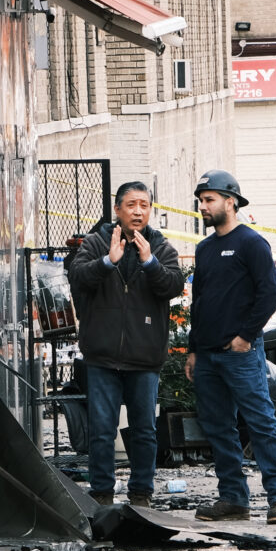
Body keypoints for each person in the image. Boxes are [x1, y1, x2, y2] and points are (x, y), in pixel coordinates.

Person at [183, 169, 276, 524]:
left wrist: (246, 336)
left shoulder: (251, 243)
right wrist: (193, 349)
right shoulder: (205, 249)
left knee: (261, 422)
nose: (203, 206)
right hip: (209, 355)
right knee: (218, 427)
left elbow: (270, 293)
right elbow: (198, 301)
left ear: (231, 202)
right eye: (201, 200)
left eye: (209, 199)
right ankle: (233, 498)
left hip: (241, 354)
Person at [68, 181, 185, 508]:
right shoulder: (95, 242)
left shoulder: (160, 247)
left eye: (144, 205)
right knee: (102, 429)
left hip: (144, 357)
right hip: (102, 356)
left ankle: (141, 494)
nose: (138, 211)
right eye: (131, 205)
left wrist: (149, 263)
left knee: (144, 430)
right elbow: (78, 275)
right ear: (117, 209)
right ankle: (102, 493)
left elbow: (173, 284)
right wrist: (108, 261)